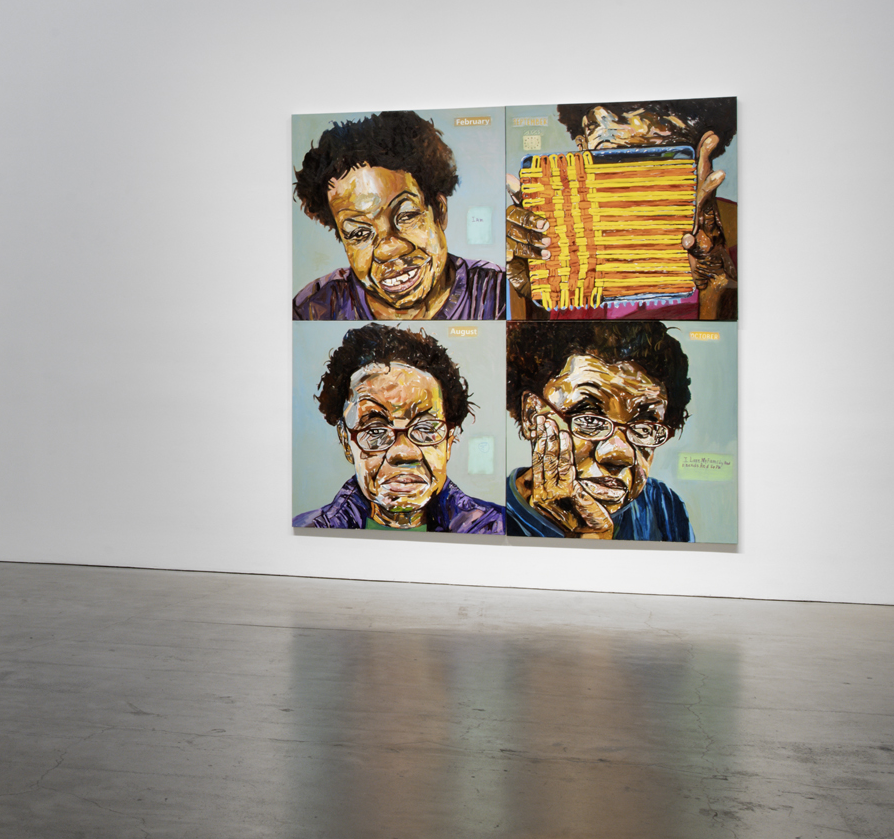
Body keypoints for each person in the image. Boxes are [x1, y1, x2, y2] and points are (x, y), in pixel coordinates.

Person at [505, 97, 736, 321]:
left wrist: (714, 291)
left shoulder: (740, 245)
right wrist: (531, 293)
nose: (627, 189)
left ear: (700, 153)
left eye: (654, 163)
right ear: (582, 150)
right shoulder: (568, 243)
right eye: (608, 161)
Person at [293, 110, 507, 321]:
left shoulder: (498, 296)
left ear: (440, 212)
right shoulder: (314, 309)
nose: (388, 249)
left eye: (406, 216)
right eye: (359, 233)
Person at [294, 324, 504, 533]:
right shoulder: (309, 529)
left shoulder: (497, 528)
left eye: (425, 428)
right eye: (375, 431)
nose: (404, 452)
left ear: (449, 440)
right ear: (346, 442)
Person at [504, 321, 691, 541]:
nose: (621, 455)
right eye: (590, 420)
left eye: (644, 427)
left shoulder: (663, 506)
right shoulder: (493, 518)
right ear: (531, 415)